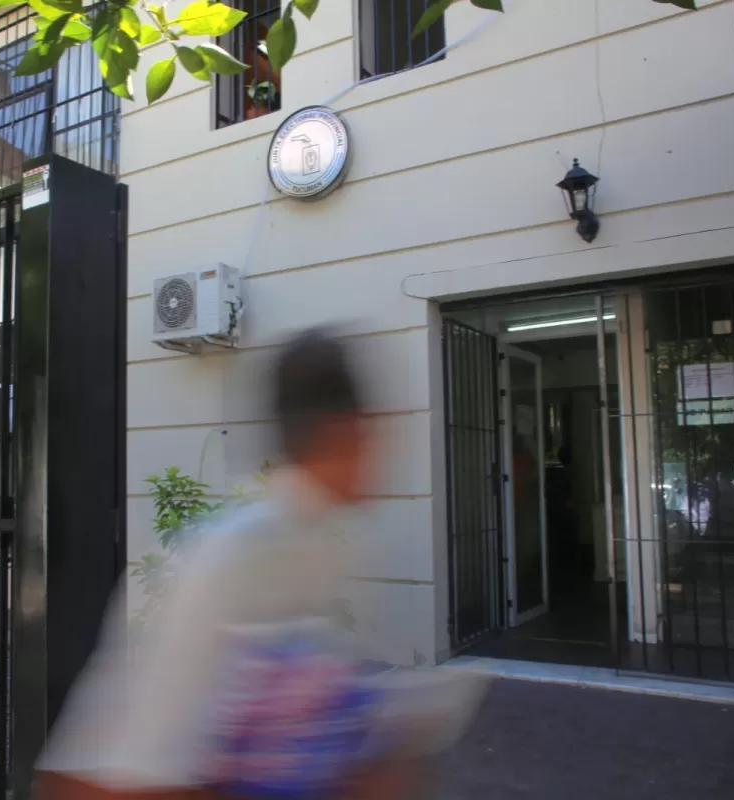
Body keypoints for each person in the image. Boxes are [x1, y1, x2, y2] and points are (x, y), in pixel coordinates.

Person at [34, 327, 485, 799]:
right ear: (347, 432)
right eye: (378, 430)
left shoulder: (328, 549)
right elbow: (114, 775)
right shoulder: (227, 557)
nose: (388, 448)